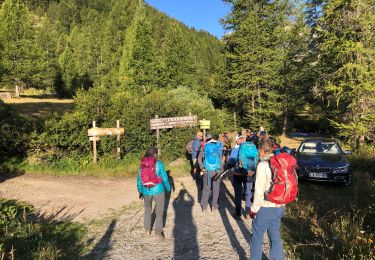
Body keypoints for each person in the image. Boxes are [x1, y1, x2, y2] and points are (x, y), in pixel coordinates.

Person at [250, 140, 285, 259]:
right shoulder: (280, 162)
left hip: (266, 207)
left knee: (256, 237)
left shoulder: (263, 165)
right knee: (275, 236)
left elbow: (259, 190)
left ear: (261, 151)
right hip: (280, 206)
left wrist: (254, 209)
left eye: (258, 150)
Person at [137, 147, 171, 240]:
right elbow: (164, 177)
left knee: (147, 209)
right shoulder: (158, 163)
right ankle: (158, 233)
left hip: (146, 190)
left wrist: (140, 191)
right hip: (158, 190)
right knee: (159, 211)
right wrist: (168, 188)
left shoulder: (142, 164)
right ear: (155, 154)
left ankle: (147, 230)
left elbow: (139, 179)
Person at [232, 135, 259, 220]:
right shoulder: (253, 148)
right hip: (249, 173)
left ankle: (238, 213)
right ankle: (247, 213)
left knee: (238, 193)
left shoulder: (236, 149)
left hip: (238, 174)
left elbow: (231, 161)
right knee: (248, 193)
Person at [198, 133, 222, 212]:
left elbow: (199, 159)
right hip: (217, 171)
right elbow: (221, 160)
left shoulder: (204, 148)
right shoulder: (218, 148)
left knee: (206, 189)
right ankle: (214, 206)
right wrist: (221, 170)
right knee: (216, 188)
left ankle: (204, 207)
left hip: (207, 171)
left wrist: (202, 168)